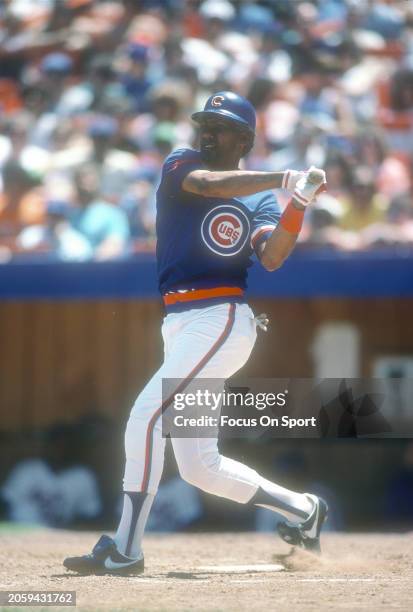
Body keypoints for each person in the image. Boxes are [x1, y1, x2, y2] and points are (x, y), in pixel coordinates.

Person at [63, 91, 328, 576]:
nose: (207, 130)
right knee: (199, 466)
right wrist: (286, 177)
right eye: (204, 121)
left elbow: (272, 256)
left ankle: (126, 548)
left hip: (219, 319)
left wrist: (299, 203)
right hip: (183, 325)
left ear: (244, 138)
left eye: (220, 125)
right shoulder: (182, 161)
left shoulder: (262, 197)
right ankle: (303, 509)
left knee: (145, 418)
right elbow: (207, 185)